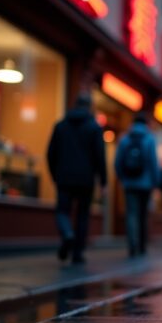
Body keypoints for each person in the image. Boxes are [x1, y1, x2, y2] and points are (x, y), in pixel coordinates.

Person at [46, 94, 106, 264]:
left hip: (64, 177)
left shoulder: (61, 126)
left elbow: (50, 153)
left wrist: (54, 175)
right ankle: (77, 253)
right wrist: (103, 180)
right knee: (82, 215)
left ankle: (67, 234)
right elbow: (99, 156)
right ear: (89, 107)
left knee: (62, 211)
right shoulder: (94, 127)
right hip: (86, 179)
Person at [115, 112, 160, 257]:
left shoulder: (125, 139)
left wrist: (123, 178)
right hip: (145, 184)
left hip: (129, 184)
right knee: (142, 214)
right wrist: (155, 182)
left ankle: (132, 244)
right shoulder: (149, 139)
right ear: (145, 123)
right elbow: (153, 163)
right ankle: (141, 245)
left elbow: (117, 162)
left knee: (131, 214)